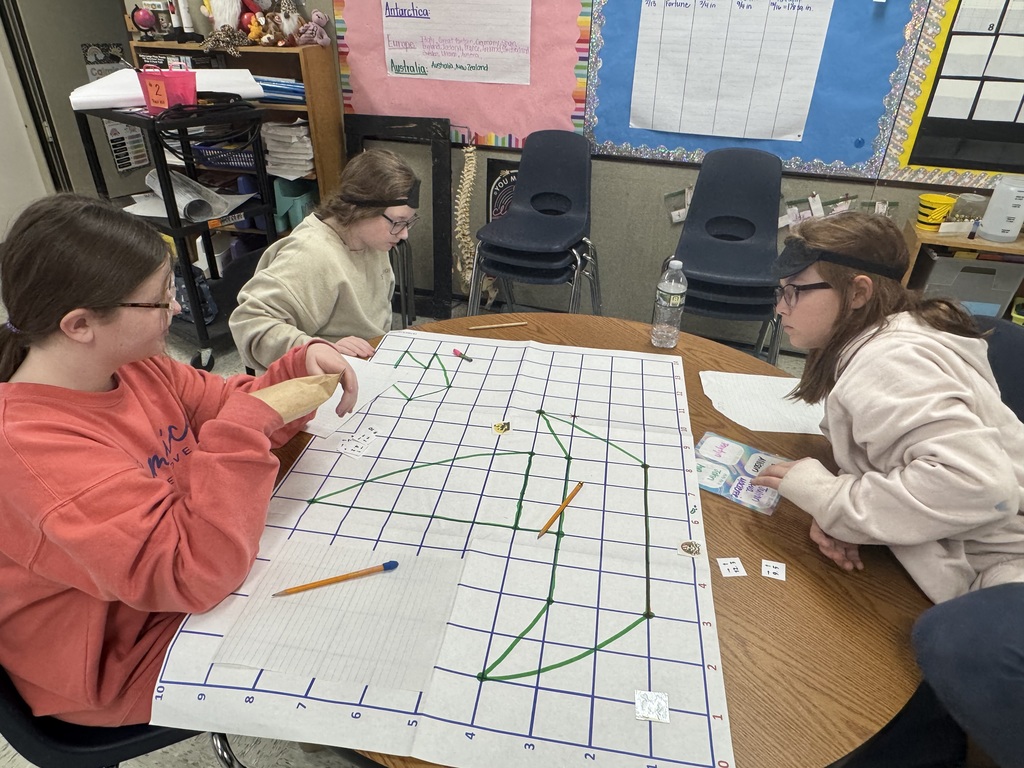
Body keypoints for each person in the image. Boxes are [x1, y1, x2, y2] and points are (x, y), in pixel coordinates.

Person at [0, 193, 357, 727]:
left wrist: (297, 369)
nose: (175, 308)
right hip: (119, 656)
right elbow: (193, 573)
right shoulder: (29, 449)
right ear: (78, 325)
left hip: (174, 587)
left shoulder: (135, 366)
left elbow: (234, 408)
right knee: (350, 649)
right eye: (158, 299)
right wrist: (244, 424)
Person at [751, 211, 1024, 767]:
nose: (780, 308)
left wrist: (833, 500)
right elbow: (906, 459)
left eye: (795, 292)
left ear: (858, 291)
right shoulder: (890, 333)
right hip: (966, 550)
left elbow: (981, 486)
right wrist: (856, 511)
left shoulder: (888, 359)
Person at [230, 148, 420, 372]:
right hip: (322, 378)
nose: (404, 233)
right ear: (361, 209)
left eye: (408, 222)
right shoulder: (311, 255)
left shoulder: (371, 239)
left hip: (364, 363)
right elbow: (250, 324)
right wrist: (317, 349)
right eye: (398, 222)